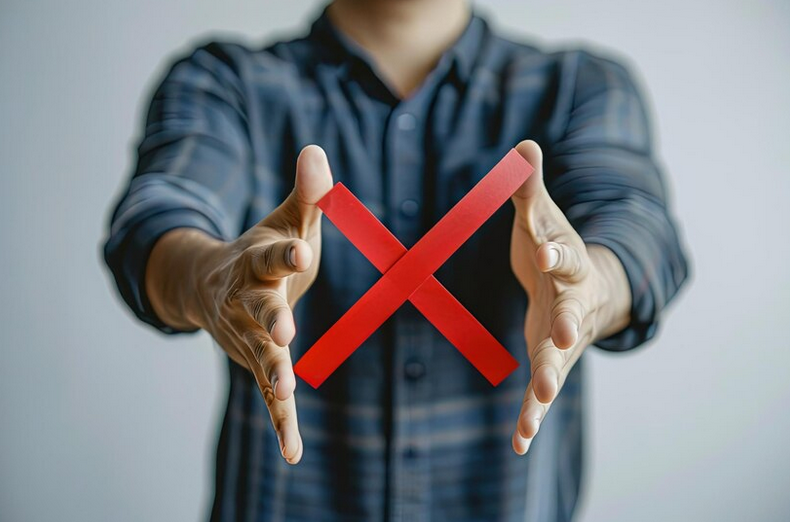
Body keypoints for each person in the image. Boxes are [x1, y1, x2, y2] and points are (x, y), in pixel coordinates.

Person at [104, 0, 689, 520]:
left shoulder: (581, 86)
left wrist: (590, 287)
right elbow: (156, 220)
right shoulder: (225, 81)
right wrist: (212, 280)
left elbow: (637, 225)